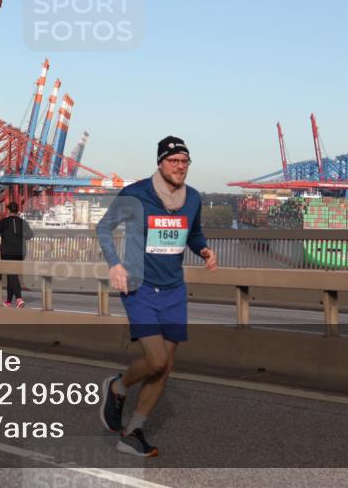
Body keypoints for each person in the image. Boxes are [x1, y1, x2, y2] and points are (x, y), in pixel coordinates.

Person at [95, 136, 217, 457]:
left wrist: (203, 249)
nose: (180, 167)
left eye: (185, 161)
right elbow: (104, 228)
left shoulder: (192, 198)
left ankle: (132, 431)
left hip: (174, 290)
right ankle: (118, 387)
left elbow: (193, 233)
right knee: (156, 360)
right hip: (140, 288)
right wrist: (115, 264)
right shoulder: (136, 194)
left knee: (165, 366)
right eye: (174, 161)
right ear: (160, 163)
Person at [0, 201, 33, 308]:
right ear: (17, 211)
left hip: (7, 252)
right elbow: (30, 235)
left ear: (9, 210)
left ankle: (19, 298)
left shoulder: (3, 222)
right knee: (12, 275)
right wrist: (20, 238)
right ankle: (9, 301)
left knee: (12, 274)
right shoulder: (23, 222)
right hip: (20, 252)